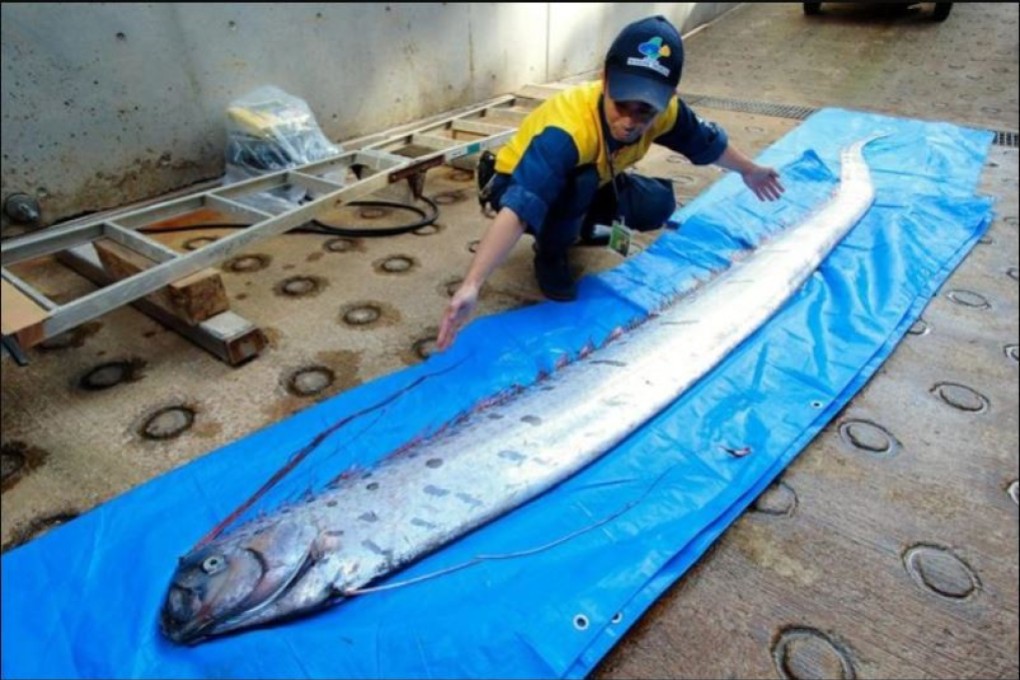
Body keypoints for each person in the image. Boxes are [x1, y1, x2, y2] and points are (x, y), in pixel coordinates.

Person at [436, 14, 784, 351]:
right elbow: (520, 207)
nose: (631, 122)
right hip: (514, 182)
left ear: (667, 96)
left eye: (645, 111)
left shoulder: (667, 112)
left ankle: (579, 225)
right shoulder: (568, 131)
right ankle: (551, 251)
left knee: (656, 205)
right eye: (622, 105)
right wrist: (472, 284)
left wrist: (749, 170)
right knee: (578, 183)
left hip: (600, 175)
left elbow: (708, 144)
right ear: (605, 79)